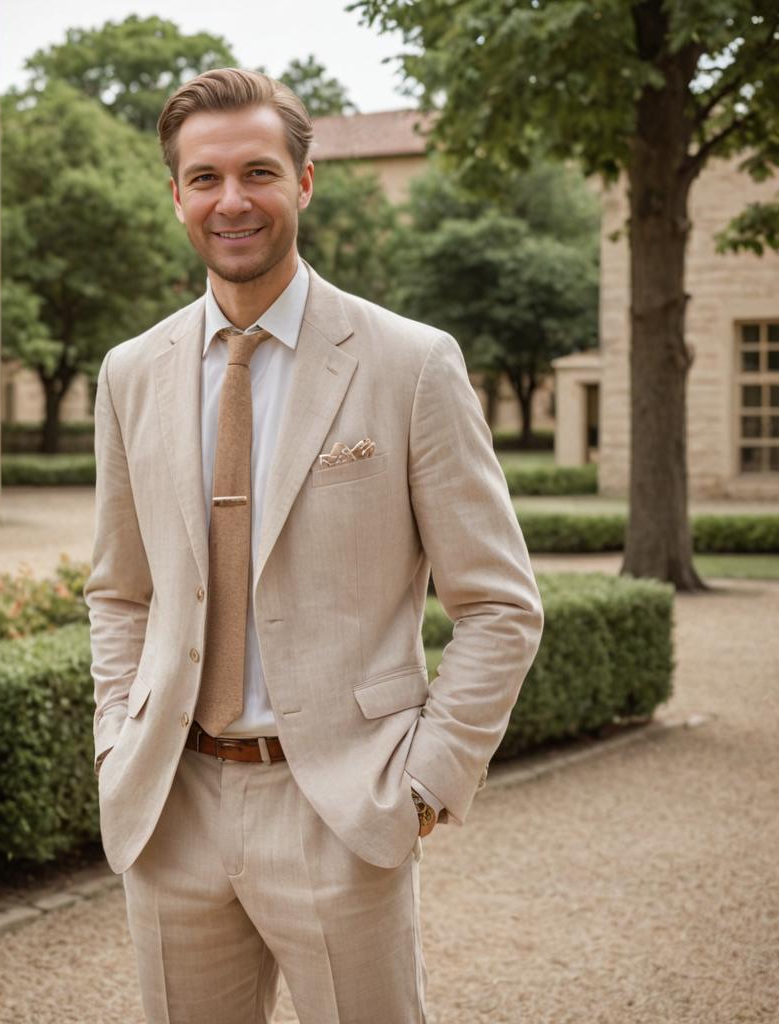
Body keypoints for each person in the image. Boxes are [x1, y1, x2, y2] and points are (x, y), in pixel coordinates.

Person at [84, 67, 543, 1024]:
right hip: (170, 807)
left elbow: (500, 605)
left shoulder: (411, 363)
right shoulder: (130, 372)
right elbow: (121, 591)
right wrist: (116, 739)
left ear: (303, 182)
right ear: (176, 195)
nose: (232, 200)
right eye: (204, 178)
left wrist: (422, 784)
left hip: (342, 804)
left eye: (258, 171)